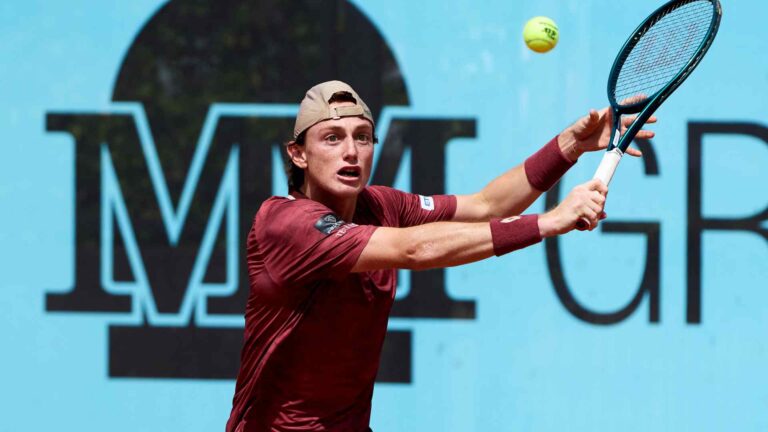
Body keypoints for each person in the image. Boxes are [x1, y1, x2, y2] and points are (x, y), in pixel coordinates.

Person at [226, 80, 654, 432]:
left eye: (362, 137)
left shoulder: (382, 205)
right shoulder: (285, 224)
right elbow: (414, 249)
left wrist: (570, 145)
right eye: (332, 138)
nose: (351, 152)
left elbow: (487, 205)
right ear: (298, 154)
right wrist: (548, 221)